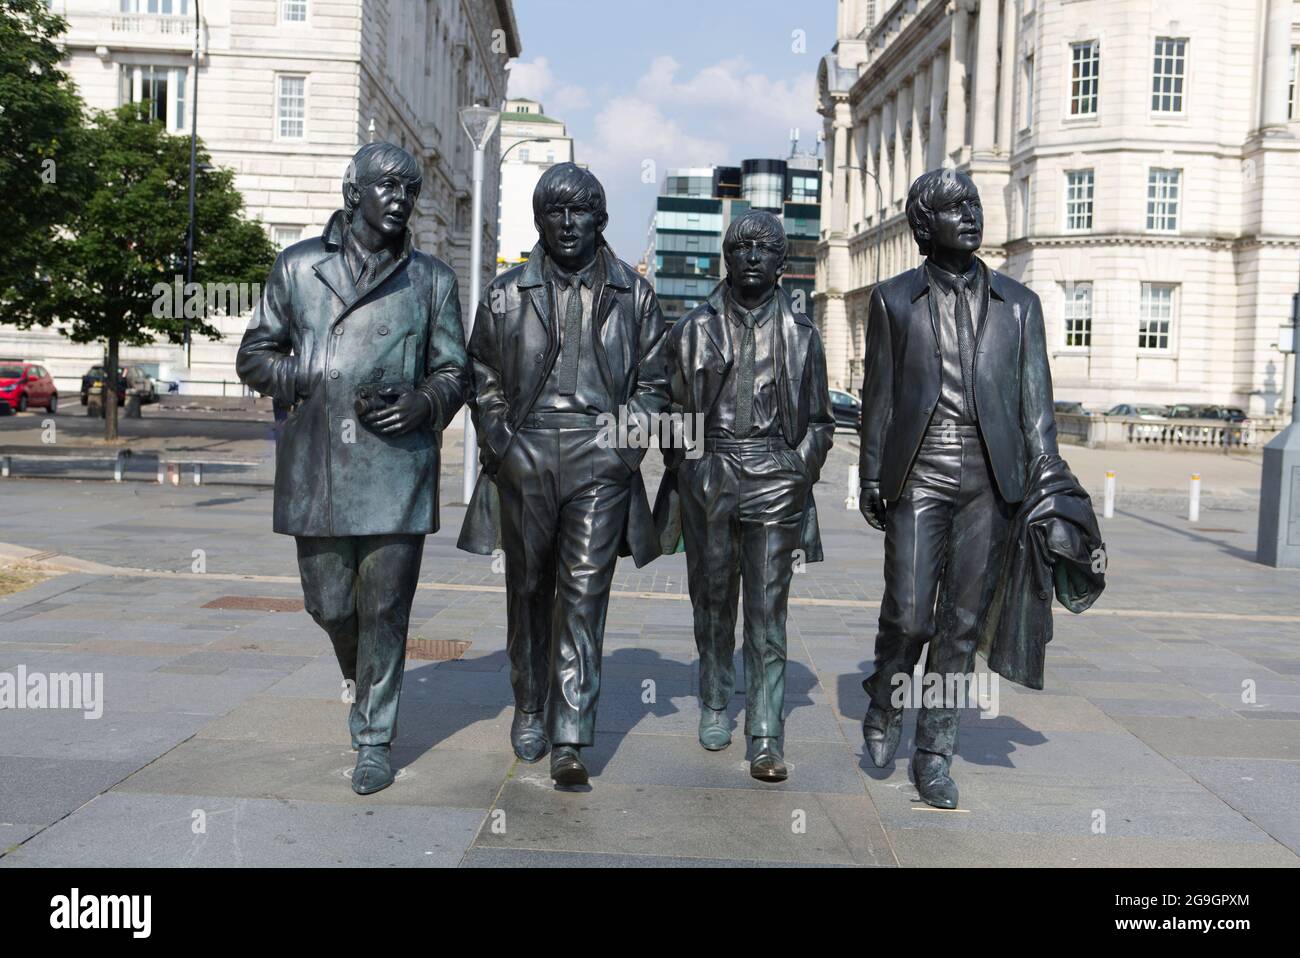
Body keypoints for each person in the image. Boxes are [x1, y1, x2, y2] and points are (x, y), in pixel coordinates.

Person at [237, 142, 468, 795]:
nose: (401, 199)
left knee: (386, 608)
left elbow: (456, 370)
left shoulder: (432, 279)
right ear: (353, 192)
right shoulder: (298, 266)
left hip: (398, 466)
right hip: (319, 467)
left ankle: (373, 738)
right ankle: (360, 671)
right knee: (331, 604)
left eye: (410, 189)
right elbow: (255, 355)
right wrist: (309, 370)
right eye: (388, 186)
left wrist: (426, 401)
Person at [458, 163, 671, 787]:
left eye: (581, 211)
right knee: (528, 591)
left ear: (601, 219)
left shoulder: (635, 295)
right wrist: (502, 441)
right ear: (539, 220)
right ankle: (530, 703)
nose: (569, 223)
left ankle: (571, 733)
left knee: (583, 595)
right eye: (556, 211)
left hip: (599, 456)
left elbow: (656, 385)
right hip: (526, 452)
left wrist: (621, 449)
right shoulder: (506, 292)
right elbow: (481, 373)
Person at [857, 169, 1057, 809]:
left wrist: (1048, 485)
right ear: (924, 225)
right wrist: (869, 474)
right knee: (911, 614)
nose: (969, 215)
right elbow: (879, 397)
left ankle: (934, 752)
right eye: (952, 207)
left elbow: (1036, 408)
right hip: (920, 467)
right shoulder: (893, 300)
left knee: (962, 624)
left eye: (973, 203)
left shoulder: (1019, 305)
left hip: (991, 477)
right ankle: (886, 694)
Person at [654, 210, 834, 782]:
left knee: (767, 608)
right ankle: (714, 699)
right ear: (725, 257)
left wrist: (799, 470)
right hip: (711, 470)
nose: (753, 256)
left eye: (765, 248)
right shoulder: (690, 329)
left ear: (783, 262)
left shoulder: (802, 334)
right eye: (742, 247)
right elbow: (664, 405)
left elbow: (821, 420)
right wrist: (689, 465)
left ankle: (765, 732)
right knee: (711, 601)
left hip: (775, 473)